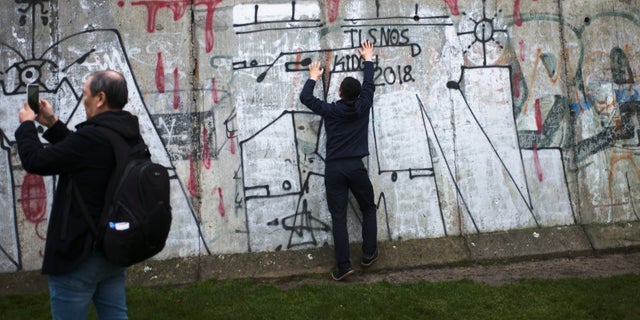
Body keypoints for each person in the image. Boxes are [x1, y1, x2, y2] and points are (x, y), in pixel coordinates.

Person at [15, 70, 139, 319]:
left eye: (85, 94)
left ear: (100, 98)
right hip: (112, 250)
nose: (83, 100)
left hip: (78, 254)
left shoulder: (92, 138)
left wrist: (27, 125)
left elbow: (36, 160)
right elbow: (84, 154)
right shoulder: (128, 135)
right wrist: (52, 123)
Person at [299, 40, 379, 281]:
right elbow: (368, 85)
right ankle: (368, 253)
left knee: (339, 218)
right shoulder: (363, 106)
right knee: (368, 208)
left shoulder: (331, 110)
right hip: (355, 167)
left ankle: (344, 266)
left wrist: (313, 76)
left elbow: (306, 97)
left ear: (340, 93)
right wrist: (367, 59)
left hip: (334, 168)